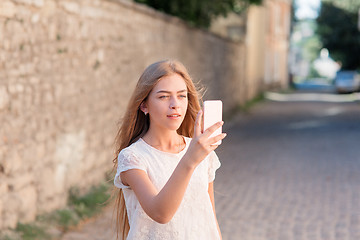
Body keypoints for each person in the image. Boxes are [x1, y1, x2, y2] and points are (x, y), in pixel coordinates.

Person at [112, 60, 227, 240]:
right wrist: (190, 160)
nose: (175, 104)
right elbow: (161, 213)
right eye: (164, 96)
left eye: (182, 96)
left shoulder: (201, 151)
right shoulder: (133, 157)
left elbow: (209, 218)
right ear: (144, 105)